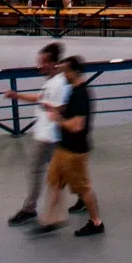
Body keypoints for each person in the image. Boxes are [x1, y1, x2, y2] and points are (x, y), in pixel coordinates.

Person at [5, 43, 85, 224]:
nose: (39, 66)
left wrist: (54, 111)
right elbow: (41, 99)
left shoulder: (59, 84)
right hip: (46, 134)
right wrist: (18, 96)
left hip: (50, 137)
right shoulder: (51, 81)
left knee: (37, 170)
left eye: (43, 62)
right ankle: (84, 196)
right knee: (65, 170)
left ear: (53, 63)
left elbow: (61, 108)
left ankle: (30, 209)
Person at [33, 55, 103, 237]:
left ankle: (96, 222)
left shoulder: (81, 95)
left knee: (83, 188)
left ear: (74, 72)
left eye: (65, 71)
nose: (63, 74)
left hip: (75, 151)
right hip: (63, 148)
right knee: (55, 183)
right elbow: (68, 110)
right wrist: (55, 109)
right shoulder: (73, 90)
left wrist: (57, 119)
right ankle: (51, 219)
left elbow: (77, 125)